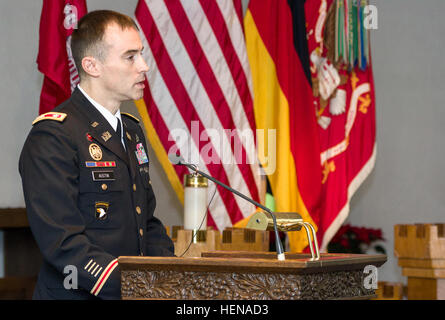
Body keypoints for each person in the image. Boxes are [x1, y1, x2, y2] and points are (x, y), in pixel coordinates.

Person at [19, 10, 174, 300]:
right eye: (130, 57)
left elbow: (147, 221)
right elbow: (62, 243)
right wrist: (137, 286)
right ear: (92, 65)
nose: (144, 66)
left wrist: (171, 277)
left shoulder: (130, 131)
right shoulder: (54, 136)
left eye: (141, 54)